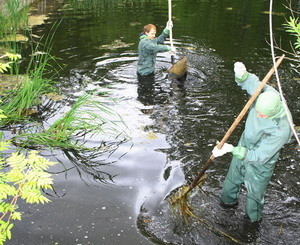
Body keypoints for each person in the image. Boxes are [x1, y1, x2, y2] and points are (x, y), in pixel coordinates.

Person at [212, 62, 292, 223]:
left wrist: (231, 150)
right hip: (245, 143)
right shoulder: (269, 93)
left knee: (254, 194)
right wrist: (243, 75)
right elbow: (254, 84)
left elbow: (259, 156)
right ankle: (227, 205)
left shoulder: (282, 129)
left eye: (263, 115)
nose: (258, 116)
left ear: (274, 112)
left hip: (262, 160)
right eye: (257, 112)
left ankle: (252, 223)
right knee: (232, 180)